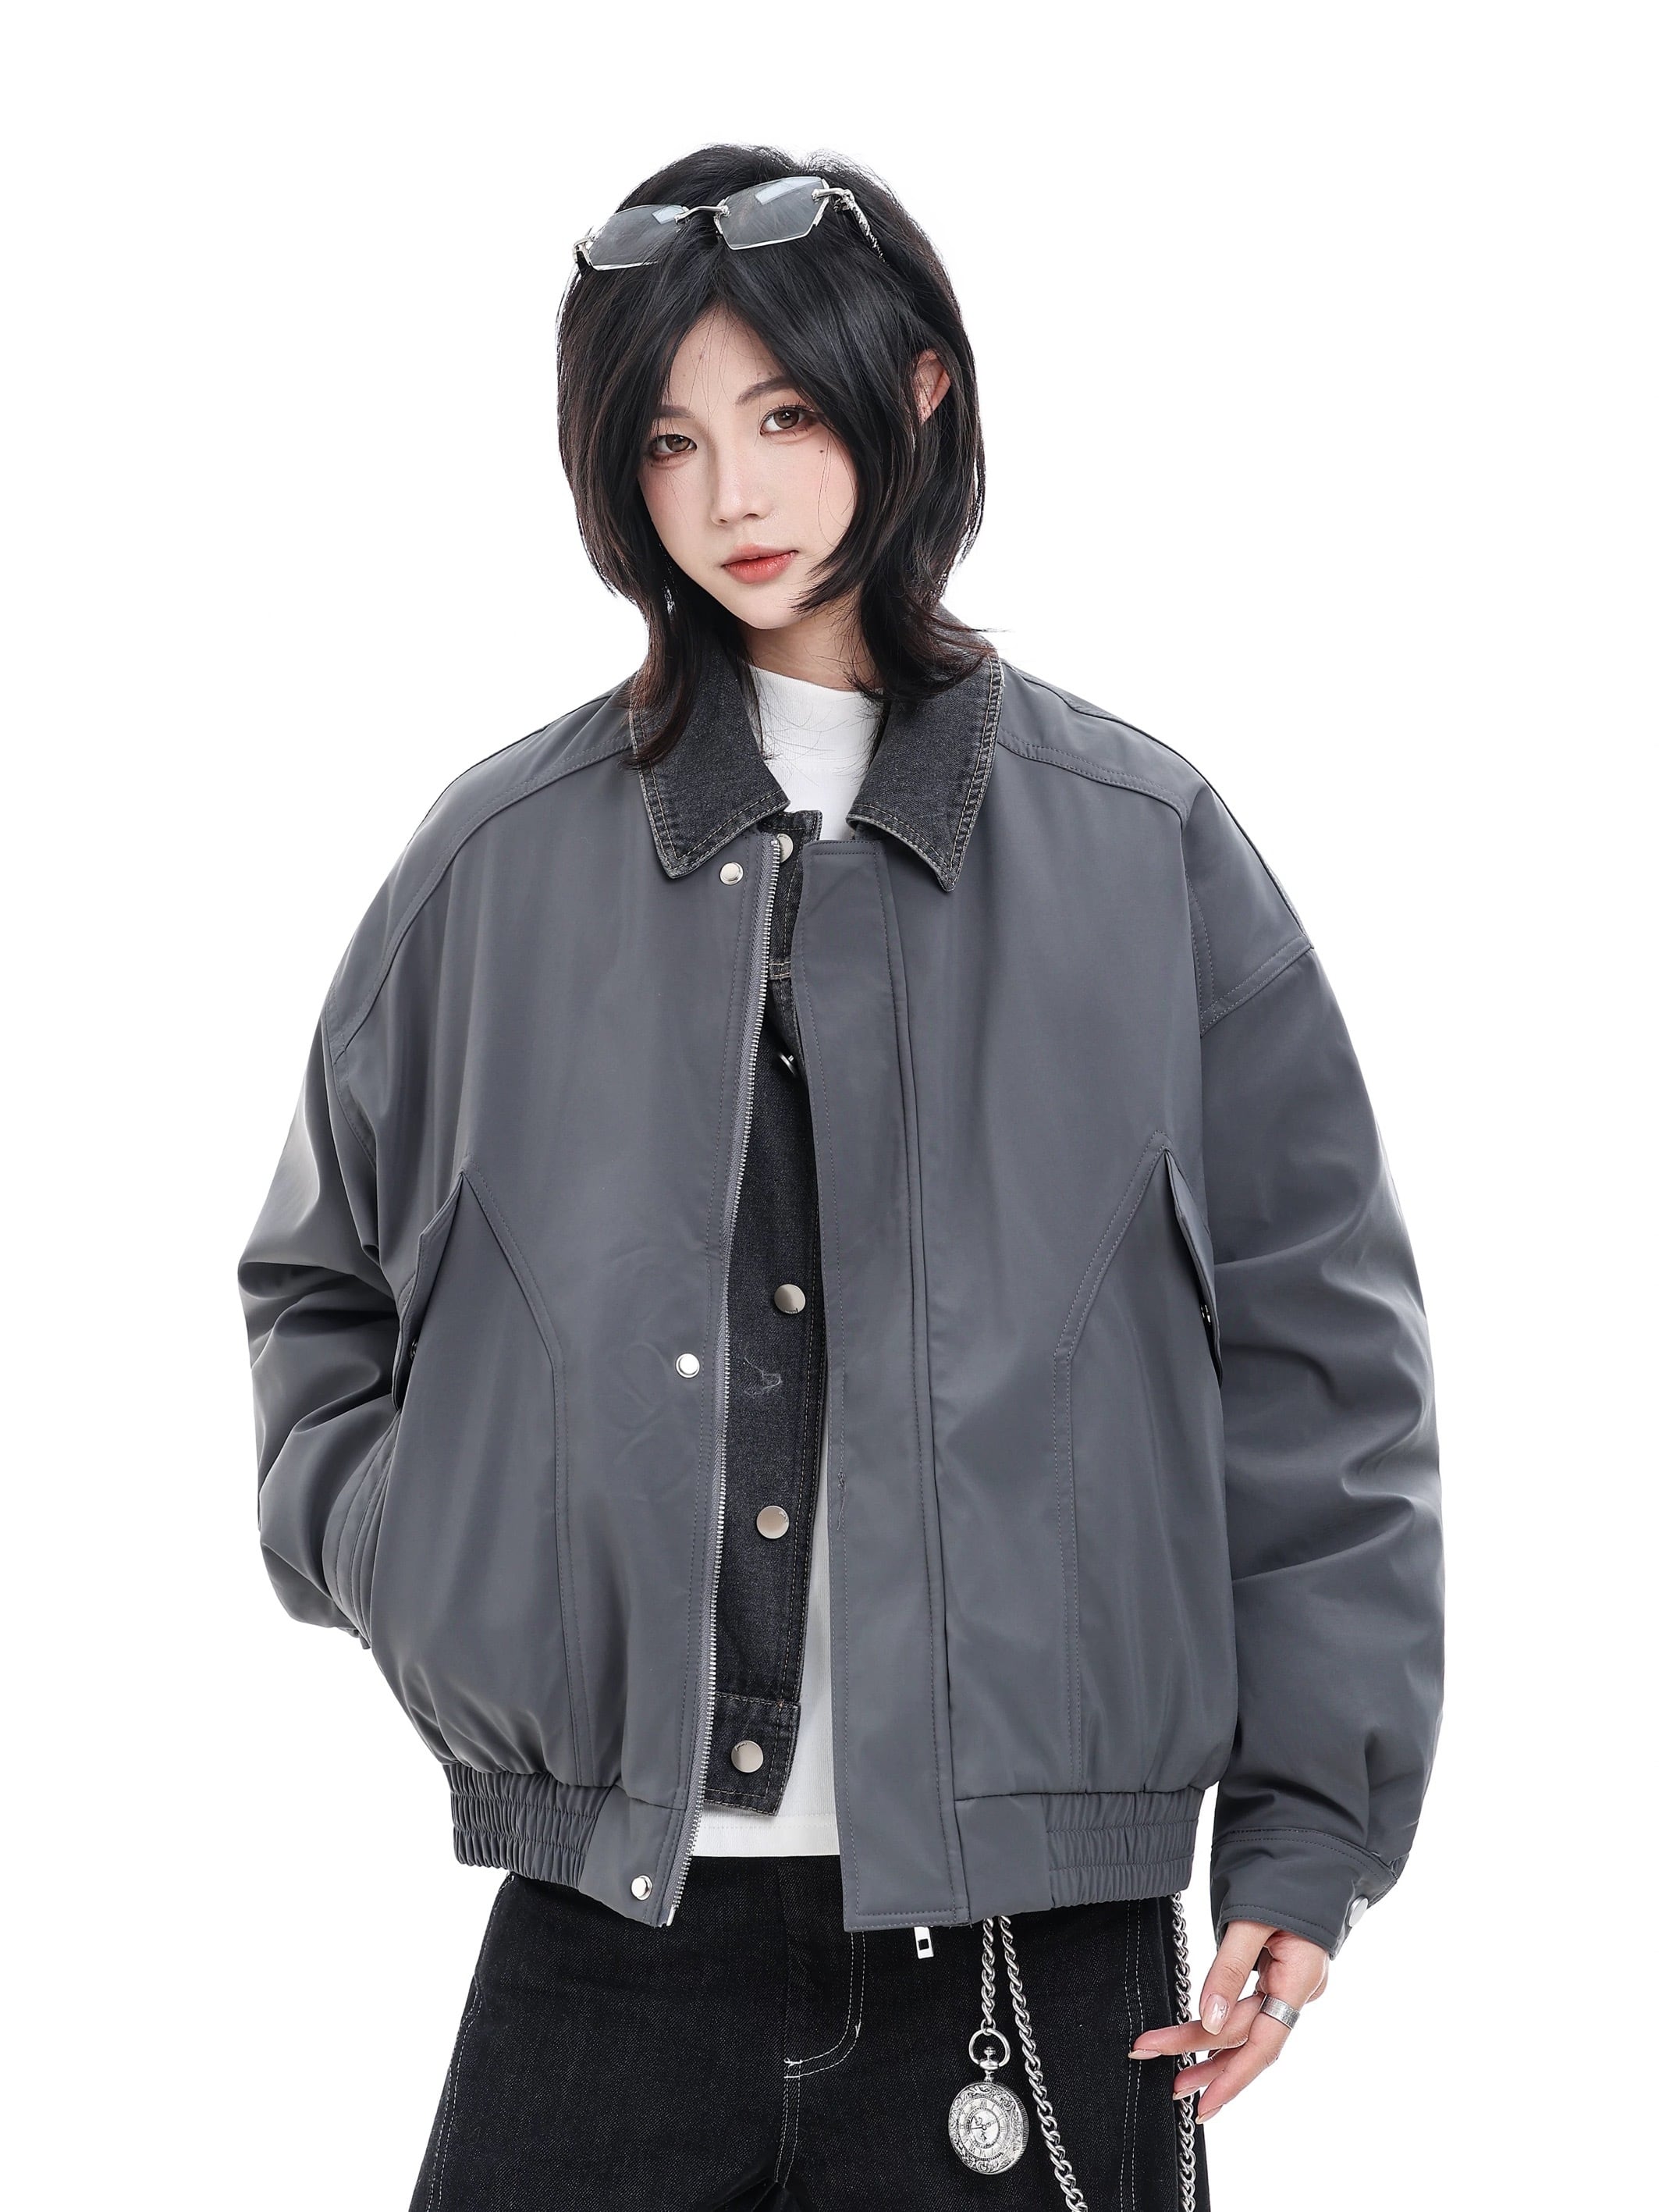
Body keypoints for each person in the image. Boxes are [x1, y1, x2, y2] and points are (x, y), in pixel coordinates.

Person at [239, 144, 1443, 2210]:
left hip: (1033, 1937)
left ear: (919, 396)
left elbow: (1321, 1361)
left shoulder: (1141, 846)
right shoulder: (497, 862)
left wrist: (1308, 1833)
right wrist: (430, 1562)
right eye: (671, 439)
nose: (735, 494)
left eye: (786, 415)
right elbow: (321, 1290)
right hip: (607, 1931)